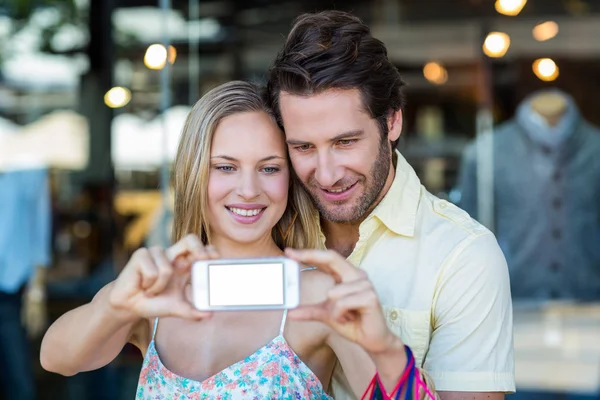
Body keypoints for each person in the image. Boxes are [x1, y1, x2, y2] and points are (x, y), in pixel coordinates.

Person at [40, 81, 435, 399]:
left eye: (269, 168)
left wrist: (383, 347)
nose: (248, 189)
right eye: (225, 167)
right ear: (195, 173)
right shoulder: (158, 292)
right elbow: (57, 359)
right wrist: (114, 305)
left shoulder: (319, 293)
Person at [266, 10, 515, 399]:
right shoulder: (266, 228)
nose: (327, 174)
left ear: (393, 121)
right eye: (303, 147)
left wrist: (384, 346)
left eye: (345, 142)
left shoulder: (464, 256)